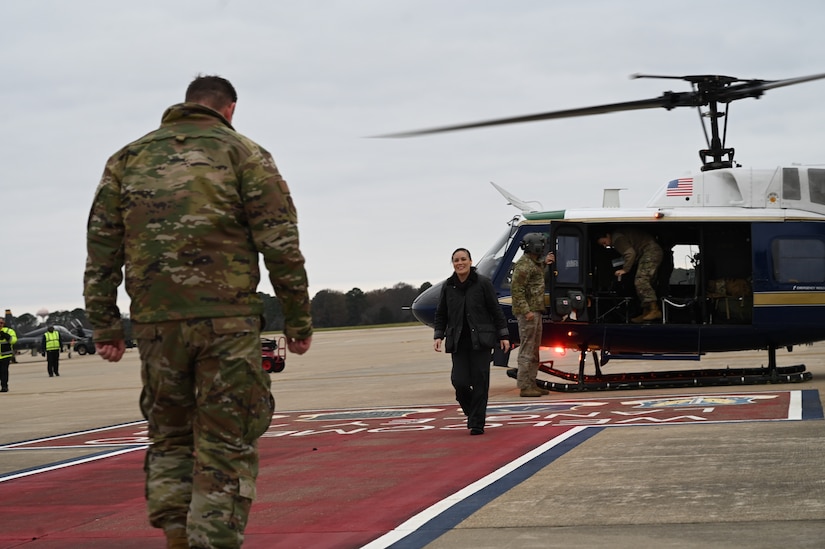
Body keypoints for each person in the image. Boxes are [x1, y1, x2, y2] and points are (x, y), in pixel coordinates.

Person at [84, 75, 313, 549]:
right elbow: (281, 244)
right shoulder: (245, 154)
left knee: (169, 436)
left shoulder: (127, 159)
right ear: (229, 110)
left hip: (155, 327)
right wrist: (297, 321)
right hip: (226, 325)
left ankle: (177, 535)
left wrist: (106, 325)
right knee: (225, 443)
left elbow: (102, 248)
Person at [433, 248, 510, 436]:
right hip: (458, 341)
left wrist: (504, 335)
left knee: (480, 382)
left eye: (463, 259)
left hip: (481, 341)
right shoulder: (448, 286)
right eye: (456, 260)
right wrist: (438, 335)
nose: (460, 263)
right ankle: (473, 413)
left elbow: (495, 310)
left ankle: (477, 423)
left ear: (470, 261)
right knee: (459, 382)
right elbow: (442, 312)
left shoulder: (483, 283)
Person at [511, 233, 554, 397]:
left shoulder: (532, 263)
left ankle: (532, 383)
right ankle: (524, 385)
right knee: (527, 350)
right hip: (528, 314)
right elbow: (517, 291)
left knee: (534, 350)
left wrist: (545, 262)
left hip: (535, 311)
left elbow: (536, 275)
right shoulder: (523, 266)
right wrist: (526, 311)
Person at [597, 228, 663, 323]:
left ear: (607, 236)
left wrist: (625, 269)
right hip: (650, 251)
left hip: (650, 252)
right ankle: (646, 312)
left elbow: (630, 253)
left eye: (604, 242)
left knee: (641, 280)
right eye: (603, 245)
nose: (605, 245)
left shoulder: (616, 239)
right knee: (646, 283)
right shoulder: (619, 235)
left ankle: (654, 310)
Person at [0, 318, 17, 392]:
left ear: (4, 323)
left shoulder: (9, 331)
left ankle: (4, 386)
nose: (0, 324)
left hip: (5, 355)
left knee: (4, 372)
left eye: (1, 323)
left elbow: (13, 341)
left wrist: (6, 336)